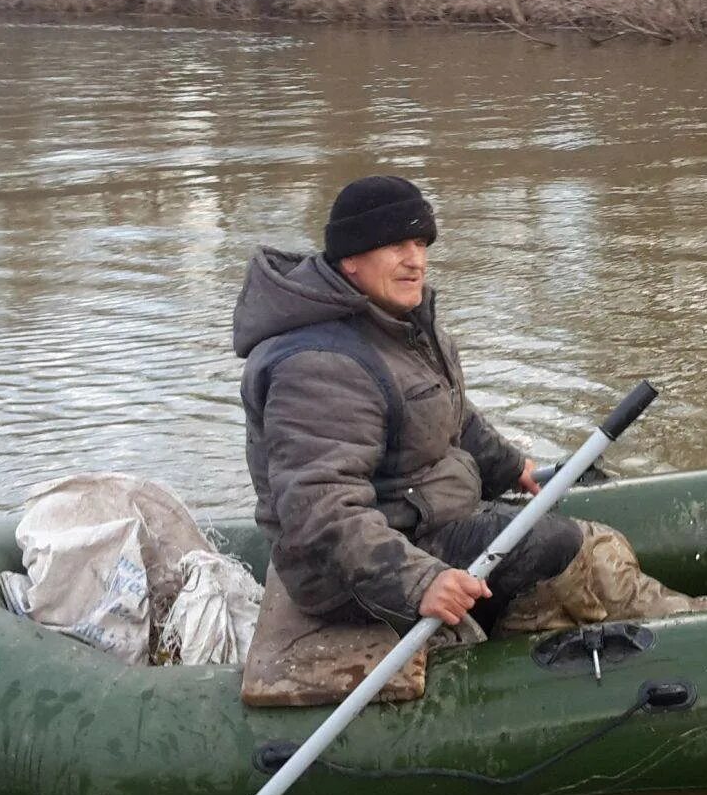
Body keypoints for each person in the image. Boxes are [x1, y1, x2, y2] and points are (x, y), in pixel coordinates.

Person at [232, 175, 584, 633]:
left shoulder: (397, 320)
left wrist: (509, 466)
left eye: (420, 243)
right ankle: (492, 632)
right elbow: (319, 508)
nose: (415, 261)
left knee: (545, 525)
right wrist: (420, 581)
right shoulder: (319, 364)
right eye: (395, 245)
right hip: (353, 576)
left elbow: (444, 411)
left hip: (410, 514)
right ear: (351, 258)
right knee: (550, 539)